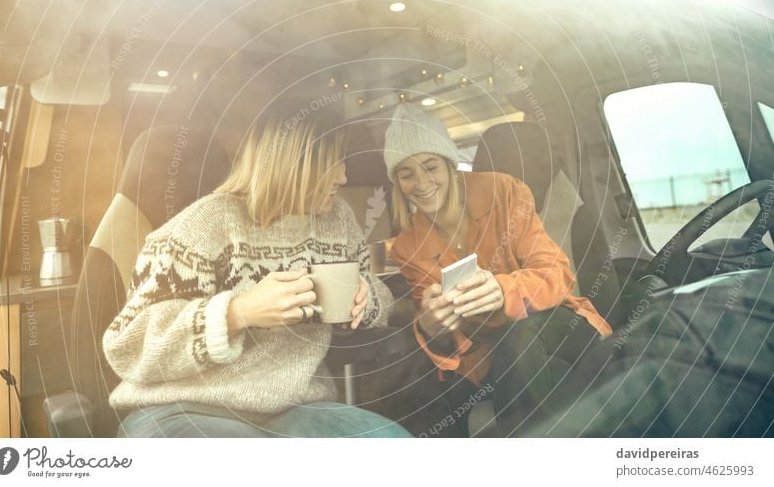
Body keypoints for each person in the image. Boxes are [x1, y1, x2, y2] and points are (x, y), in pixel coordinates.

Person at [103, 109, 410, 438]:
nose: (343, 178)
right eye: (331, 164)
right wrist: (238, 312)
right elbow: (126, 348)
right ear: (292, 164)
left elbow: (376, 291)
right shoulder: (204, 225)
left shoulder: (338, 219)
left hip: (295, 409)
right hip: (183, 408)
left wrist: (366, 298)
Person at [384, 103, 612, 437]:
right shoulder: (407, 245)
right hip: (484, 350)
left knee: (517, 339)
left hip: (553, 324)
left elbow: (556, 272)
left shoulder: (506, 191)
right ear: (397, 183)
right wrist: (431, 325)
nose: (421, 183)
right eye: (407, 174)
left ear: (448, 164)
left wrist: (503, 291)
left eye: (430, 167)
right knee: (421, 379)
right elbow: (433, 318)